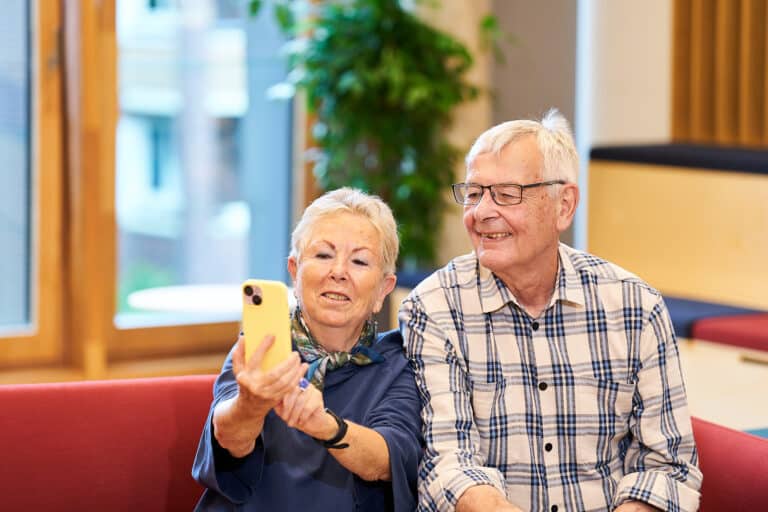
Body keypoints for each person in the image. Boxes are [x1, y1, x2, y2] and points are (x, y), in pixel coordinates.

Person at [399, 109, 702, 512]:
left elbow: (668, 466)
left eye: (507, 193)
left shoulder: (634, 306)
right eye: (474, 193)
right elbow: (450, 467)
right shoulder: (434, 308)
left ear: (564, 205)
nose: (482, 211)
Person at [193, 187, 422, 511]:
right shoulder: (261, 347)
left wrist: (324, 425)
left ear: (383, 289)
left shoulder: (398, 362)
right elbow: (228, 437)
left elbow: (389, 458)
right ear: (295, 272)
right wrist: (250, 405)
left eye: (359, 261)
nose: (338, 272)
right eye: (324, 255)